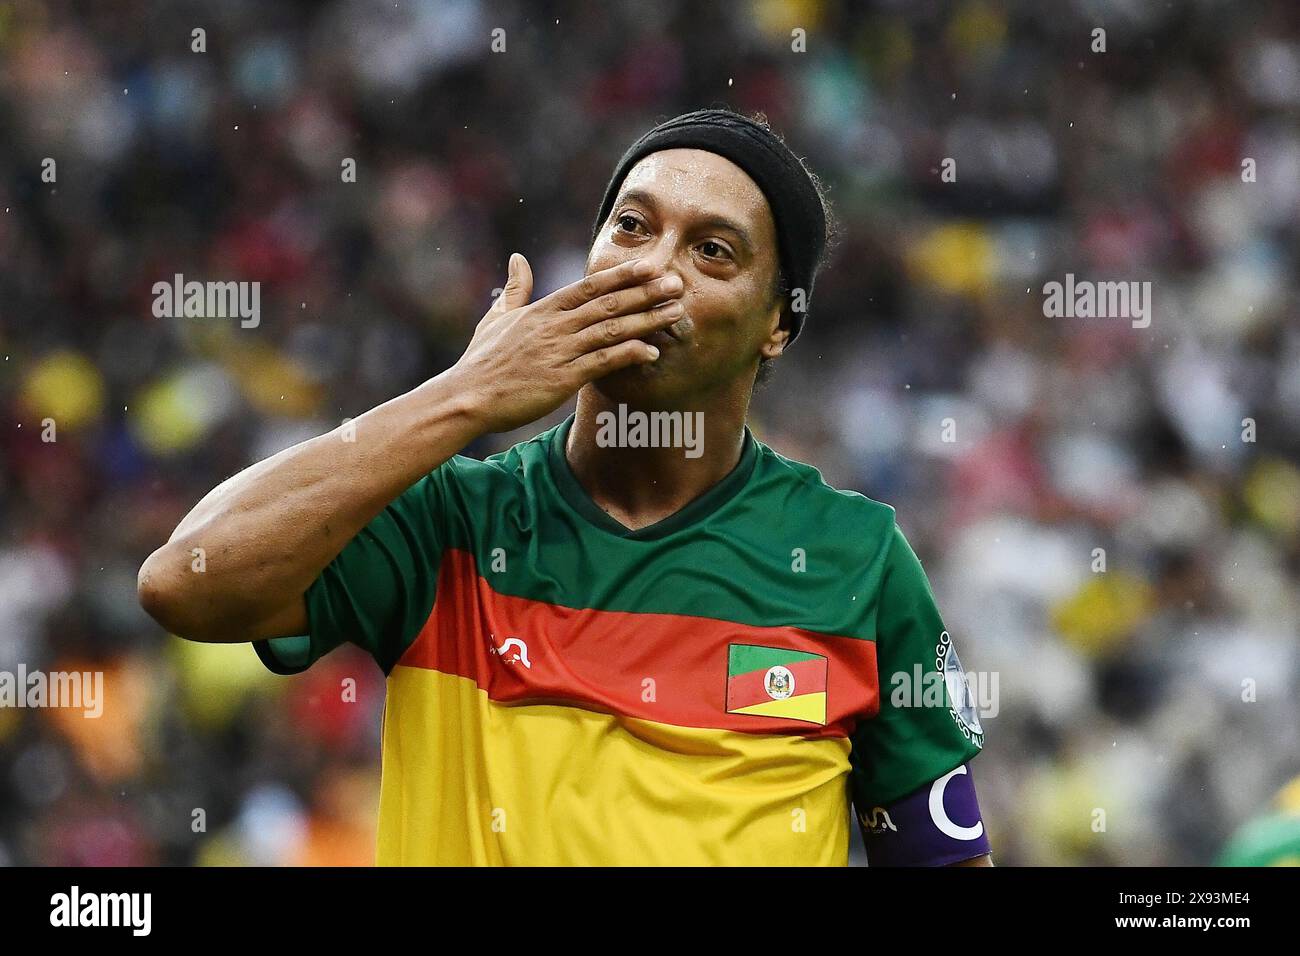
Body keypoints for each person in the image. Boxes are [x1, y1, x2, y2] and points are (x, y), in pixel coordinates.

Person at [138, 108, 992, 866]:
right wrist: (464, 394)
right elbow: (186, 581)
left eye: (712, 251)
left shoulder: (855, 561)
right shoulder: (451, 523)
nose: (655, 270)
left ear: (777, 324)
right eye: (631, 226)